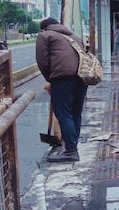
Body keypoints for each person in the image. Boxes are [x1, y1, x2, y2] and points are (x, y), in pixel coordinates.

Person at [36, 17, 88, 162]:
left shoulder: (44, 36)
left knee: (64, 113)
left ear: (43, 28)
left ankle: (71, 150)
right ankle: (72, 146)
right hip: (82, 78)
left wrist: (50, 78)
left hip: (63, 79)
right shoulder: (75, 37)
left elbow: (42, 60)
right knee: (75, 113)